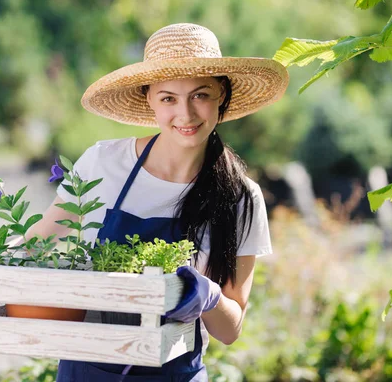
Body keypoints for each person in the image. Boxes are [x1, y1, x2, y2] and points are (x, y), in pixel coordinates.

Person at [24, 23, 289, 381]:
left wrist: (207, 295)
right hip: (86, 368)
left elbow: (230, 330)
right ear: (148, 98)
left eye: (200, 95)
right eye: (168, 98)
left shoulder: (240, 196)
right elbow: (40, 239)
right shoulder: (103, 164)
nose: (186, 114)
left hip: (175, 373)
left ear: (222, 95)